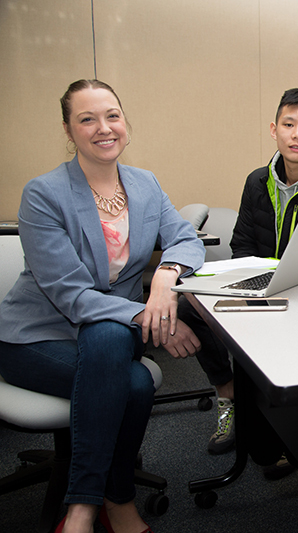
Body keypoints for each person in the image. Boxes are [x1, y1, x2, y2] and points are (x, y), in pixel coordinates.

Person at [0, 80, 205, 533]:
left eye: (112, 115)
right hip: (37, 337)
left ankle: (81, 510)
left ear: (125, 123)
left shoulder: (144, 184)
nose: (103, 128)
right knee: (131, 379)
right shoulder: (43, 194)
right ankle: (112, 502)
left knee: (110, 337)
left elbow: (186, 239)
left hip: (107, 337)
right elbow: (72, 295)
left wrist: (164, 283)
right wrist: (154, 321)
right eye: (87, 119)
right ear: (69, 131)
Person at [178, 88, 298, 458]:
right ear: (273, 129)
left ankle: (285, 417)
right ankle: (228, 391)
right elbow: (242, 245)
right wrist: (251, 284)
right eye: (289, 124)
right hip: (261, 290)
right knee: (188, 307)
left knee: (267, 446)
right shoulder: (256, 182)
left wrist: (285, 290)